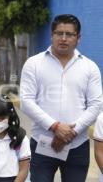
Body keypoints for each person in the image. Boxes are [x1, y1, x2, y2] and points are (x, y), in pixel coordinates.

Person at [20, 14, 102, 182]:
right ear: (52, 35)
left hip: (77, 147)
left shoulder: (90, 67)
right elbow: (26, 101)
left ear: (78, 38)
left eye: (69, 34)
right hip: (42, 144)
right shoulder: (33, 63)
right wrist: (55, 127)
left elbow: (96, 105)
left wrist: (70, 132)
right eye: (59, 33)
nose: (63, 38)